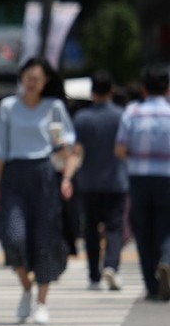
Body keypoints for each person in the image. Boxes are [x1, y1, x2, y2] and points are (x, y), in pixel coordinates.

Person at [0, 57, 77, 324]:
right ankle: (26, 289)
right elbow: (0, 151)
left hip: (45, 175)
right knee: (13, 238)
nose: (32, 82)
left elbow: (69, 145)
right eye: (28, 76)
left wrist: (64, 157)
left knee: (45, 239)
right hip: (14, 175)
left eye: (37, 78)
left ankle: (41, 302)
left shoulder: (54, 107)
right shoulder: (7, 106)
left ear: (46, 81)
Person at [115, 65, 170, 301]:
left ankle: (151, 284)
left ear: (144, 89)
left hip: (138, 179)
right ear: (167, 88)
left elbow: (119, 149)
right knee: (167, 227)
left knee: (143, 232)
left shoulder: (133, 112)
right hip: (167, 178)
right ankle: (167, 260)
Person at [73, 71, 129, 291]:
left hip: (89, 182)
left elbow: (77, 151)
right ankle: (111, 266)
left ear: (91, 92)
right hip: (116, 181)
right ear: (112, 91)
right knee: (114, 228)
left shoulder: (82, 118)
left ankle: (94, 275)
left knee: (91, 230)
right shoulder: (122, 116)